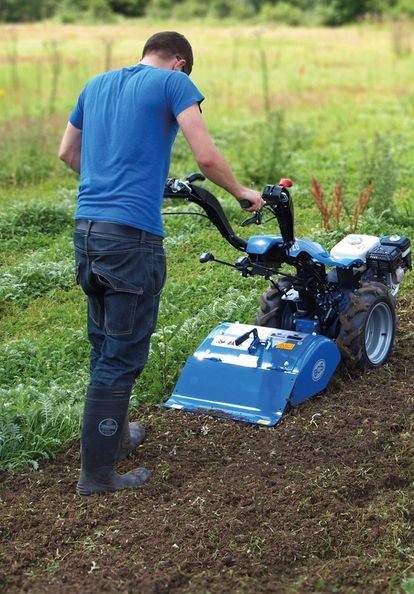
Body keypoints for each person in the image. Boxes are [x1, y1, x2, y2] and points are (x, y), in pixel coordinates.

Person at [58, 31, 263, 496]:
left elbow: (68, 153)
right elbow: (206, 156)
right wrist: (242, 193)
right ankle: (98, 475)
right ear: (179, 62)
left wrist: (110, 180)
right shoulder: (175, 84)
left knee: (103, 341)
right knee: (122, 356)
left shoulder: (96, 84)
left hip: (88, 232)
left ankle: (120, 433)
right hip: (131, 240)